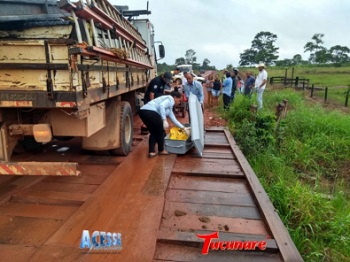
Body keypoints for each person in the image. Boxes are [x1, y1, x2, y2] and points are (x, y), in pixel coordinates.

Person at [139, 88, 188, 158]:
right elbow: (161, 106)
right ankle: (161, 150)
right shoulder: (170, 99)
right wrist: (164, 119)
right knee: (161, 131)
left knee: (154, 132)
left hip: (143, 111)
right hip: (150, 111)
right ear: (175, 97)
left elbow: (174, 120)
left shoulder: (170, 108)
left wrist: (183, 128)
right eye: (179, 100)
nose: (179, 103)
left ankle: (151, 151)